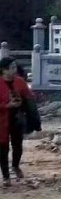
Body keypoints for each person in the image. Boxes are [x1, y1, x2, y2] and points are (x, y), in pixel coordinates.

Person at [0, 57, 35, 186]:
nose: (15, 70)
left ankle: (15, 166)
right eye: (12, 67)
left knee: (17, 145)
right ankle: (6, 176)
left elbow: (29, 96)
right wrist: (6, 106)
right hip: (2, 119)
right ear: (4, 70)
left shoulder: (20, 82)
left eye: (15, 67)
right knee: (3, 148)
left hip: (17, 118)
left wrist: (26, 103)